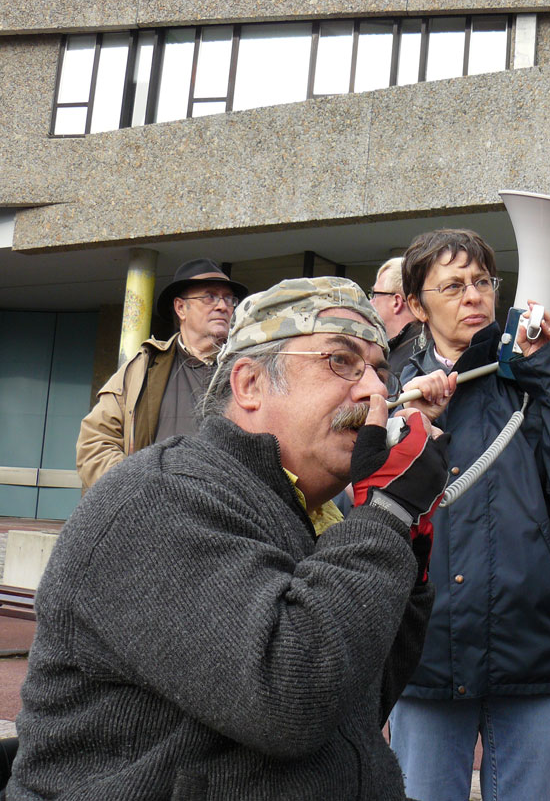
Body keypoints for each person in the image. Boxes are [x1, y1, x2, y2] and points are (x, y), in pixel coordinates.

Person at [8, 277, 451, 800]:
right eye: (340, 361)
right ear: (249, 385)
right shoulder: (157, 499)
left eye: (380, 372)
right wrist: (387, 513)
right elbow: (291, 697)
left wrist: (407, 536)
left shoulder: (320, 517)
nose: (377, 392)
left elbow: (359, 695)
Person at [386, 229, 550, 801]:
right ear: (418, 306)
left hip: (535, 644)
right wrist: (412, 427)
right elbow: (370, 503)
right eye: (453, 286)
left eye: (482, 282)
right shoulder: (391, 382)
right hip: (426, 650)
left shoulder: (537, 373)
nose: (473, 296)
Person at [76, 258, 249, 489]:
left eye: (229, 299)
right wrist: (137, 490)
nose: (222, 306)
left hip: (226, 512)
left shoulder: (247, 371)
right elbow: (95, 441)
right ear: (180, 308)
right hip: (152, 513)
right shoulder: (142, 368)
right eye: (209, 296)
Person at [371, 256, 429, 372]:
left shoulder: (419, 356)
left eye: (374, 294)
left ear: (396, 302)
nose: (370, 302)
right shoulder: (434, 346)